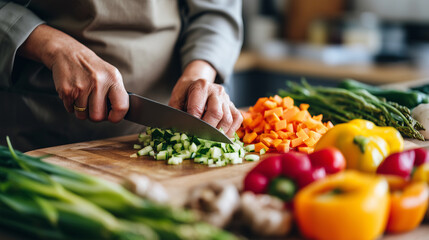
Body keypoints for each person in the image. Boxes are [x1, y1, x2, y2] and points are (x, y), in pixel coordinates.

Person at [0, 0, 243, 151]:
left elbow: (215, 12)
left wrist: (197, 75)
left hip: (163, 113)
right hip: (36, 123)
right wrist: (54, 47)